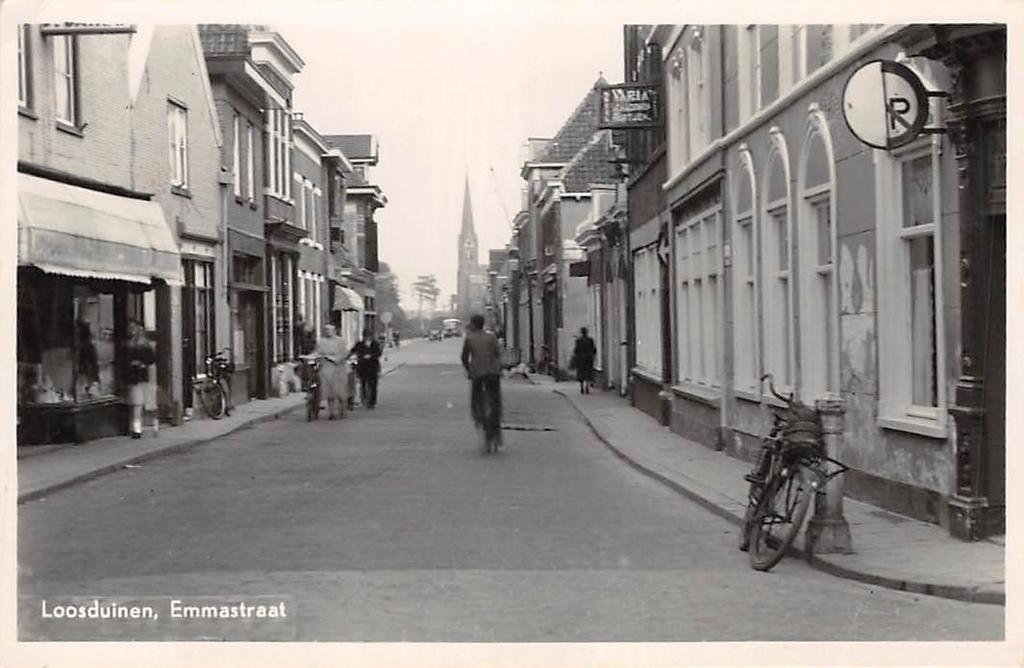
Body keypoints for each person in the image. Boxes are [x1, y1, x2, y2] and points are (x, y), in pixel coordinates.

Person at [461, 313, 503, 450]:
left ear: (473, 324)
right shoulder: (491, 337)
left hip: (478, 375)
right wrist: (498, 368)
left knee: (477, 399)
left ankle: (478, 417)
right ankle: (496, 428)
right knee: (495, 402)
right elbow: (497, 354)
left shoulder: (469, 338)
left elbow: (464, 358)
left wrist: (469, 370)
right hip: (492, 374)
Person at [125, 320, 157, 438]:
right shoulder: (127, 344)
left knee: (138, 403)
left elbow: (151, 359)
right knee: (135, 403)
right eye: (130, 328)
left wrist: (141, 363)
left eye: (134, 327)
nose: (132, 330)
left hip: (139, 376)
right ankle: (136, 427)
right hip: (132, 376)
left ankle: (138, 428)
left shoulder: (143, 344)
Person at [310, 323, 349, 420]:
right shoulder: (321, 342)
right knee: (329, 392)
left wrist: (336, 359)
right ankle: (331, 412)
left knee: (340, 392)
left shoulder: (341, 341)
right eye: (326, 329)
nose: (327, 331)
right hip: (326, 368)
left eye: (330, 329)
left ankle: (343, 410)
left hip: (338, 369)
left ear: (335, 331)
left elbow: (345, 353)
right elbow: (317, 352)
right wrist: (311, 357)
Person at [348, 328, 383, 408]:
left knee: (373, 385)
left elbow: (378, 353)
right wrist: (347, 357)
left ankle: (372, 402)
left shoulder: (375, 344)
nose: (367, 338)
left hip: (373, 366)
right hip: (362, 367)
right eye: (365, 336)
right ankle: (364, 398)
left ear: (371, 337)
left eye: (368, 336)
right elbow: (352, 351)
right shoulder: (359, 344)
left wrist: (371, 356)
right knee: (363, 383)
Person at [572, 327, 597, 394]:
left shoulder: (579, 340)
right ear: (586, 332)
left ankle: (582, 387)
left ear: (581, 332)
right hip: (588, 359)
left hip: (580, 359)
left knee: (581, 373)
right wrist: (592, 355)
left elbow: (576, 350)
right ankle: (587, 387)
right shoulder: (590, 340)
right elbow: (594, 350)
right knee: (588, 373)